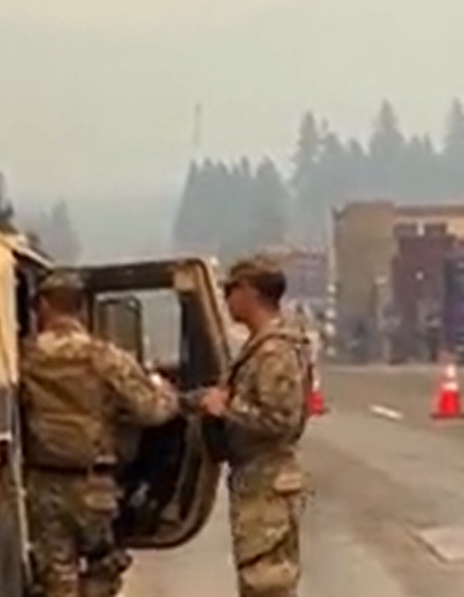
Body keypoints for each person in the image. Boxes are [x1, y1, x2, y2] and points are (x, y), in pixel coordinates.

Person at [20, 271, 180, 597]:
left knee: (55, 578)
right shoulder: (105, 357)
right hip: (95, 486)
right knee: (101, 568)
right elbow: (152, 412)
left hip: (43, 485)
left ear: (44, 307)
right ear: (82, 310)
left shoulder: (24, 358)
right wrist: (166, 390)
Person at [190, 255, 311, 597]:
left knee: (267, 585)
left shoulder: (274, 350)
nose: (227, 299)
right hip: (259, 481)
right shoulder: (262, 347)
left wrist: (225, 409)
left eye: (230, 289)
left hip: (267, 483)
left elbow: (279, 419)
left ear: (249, 292)